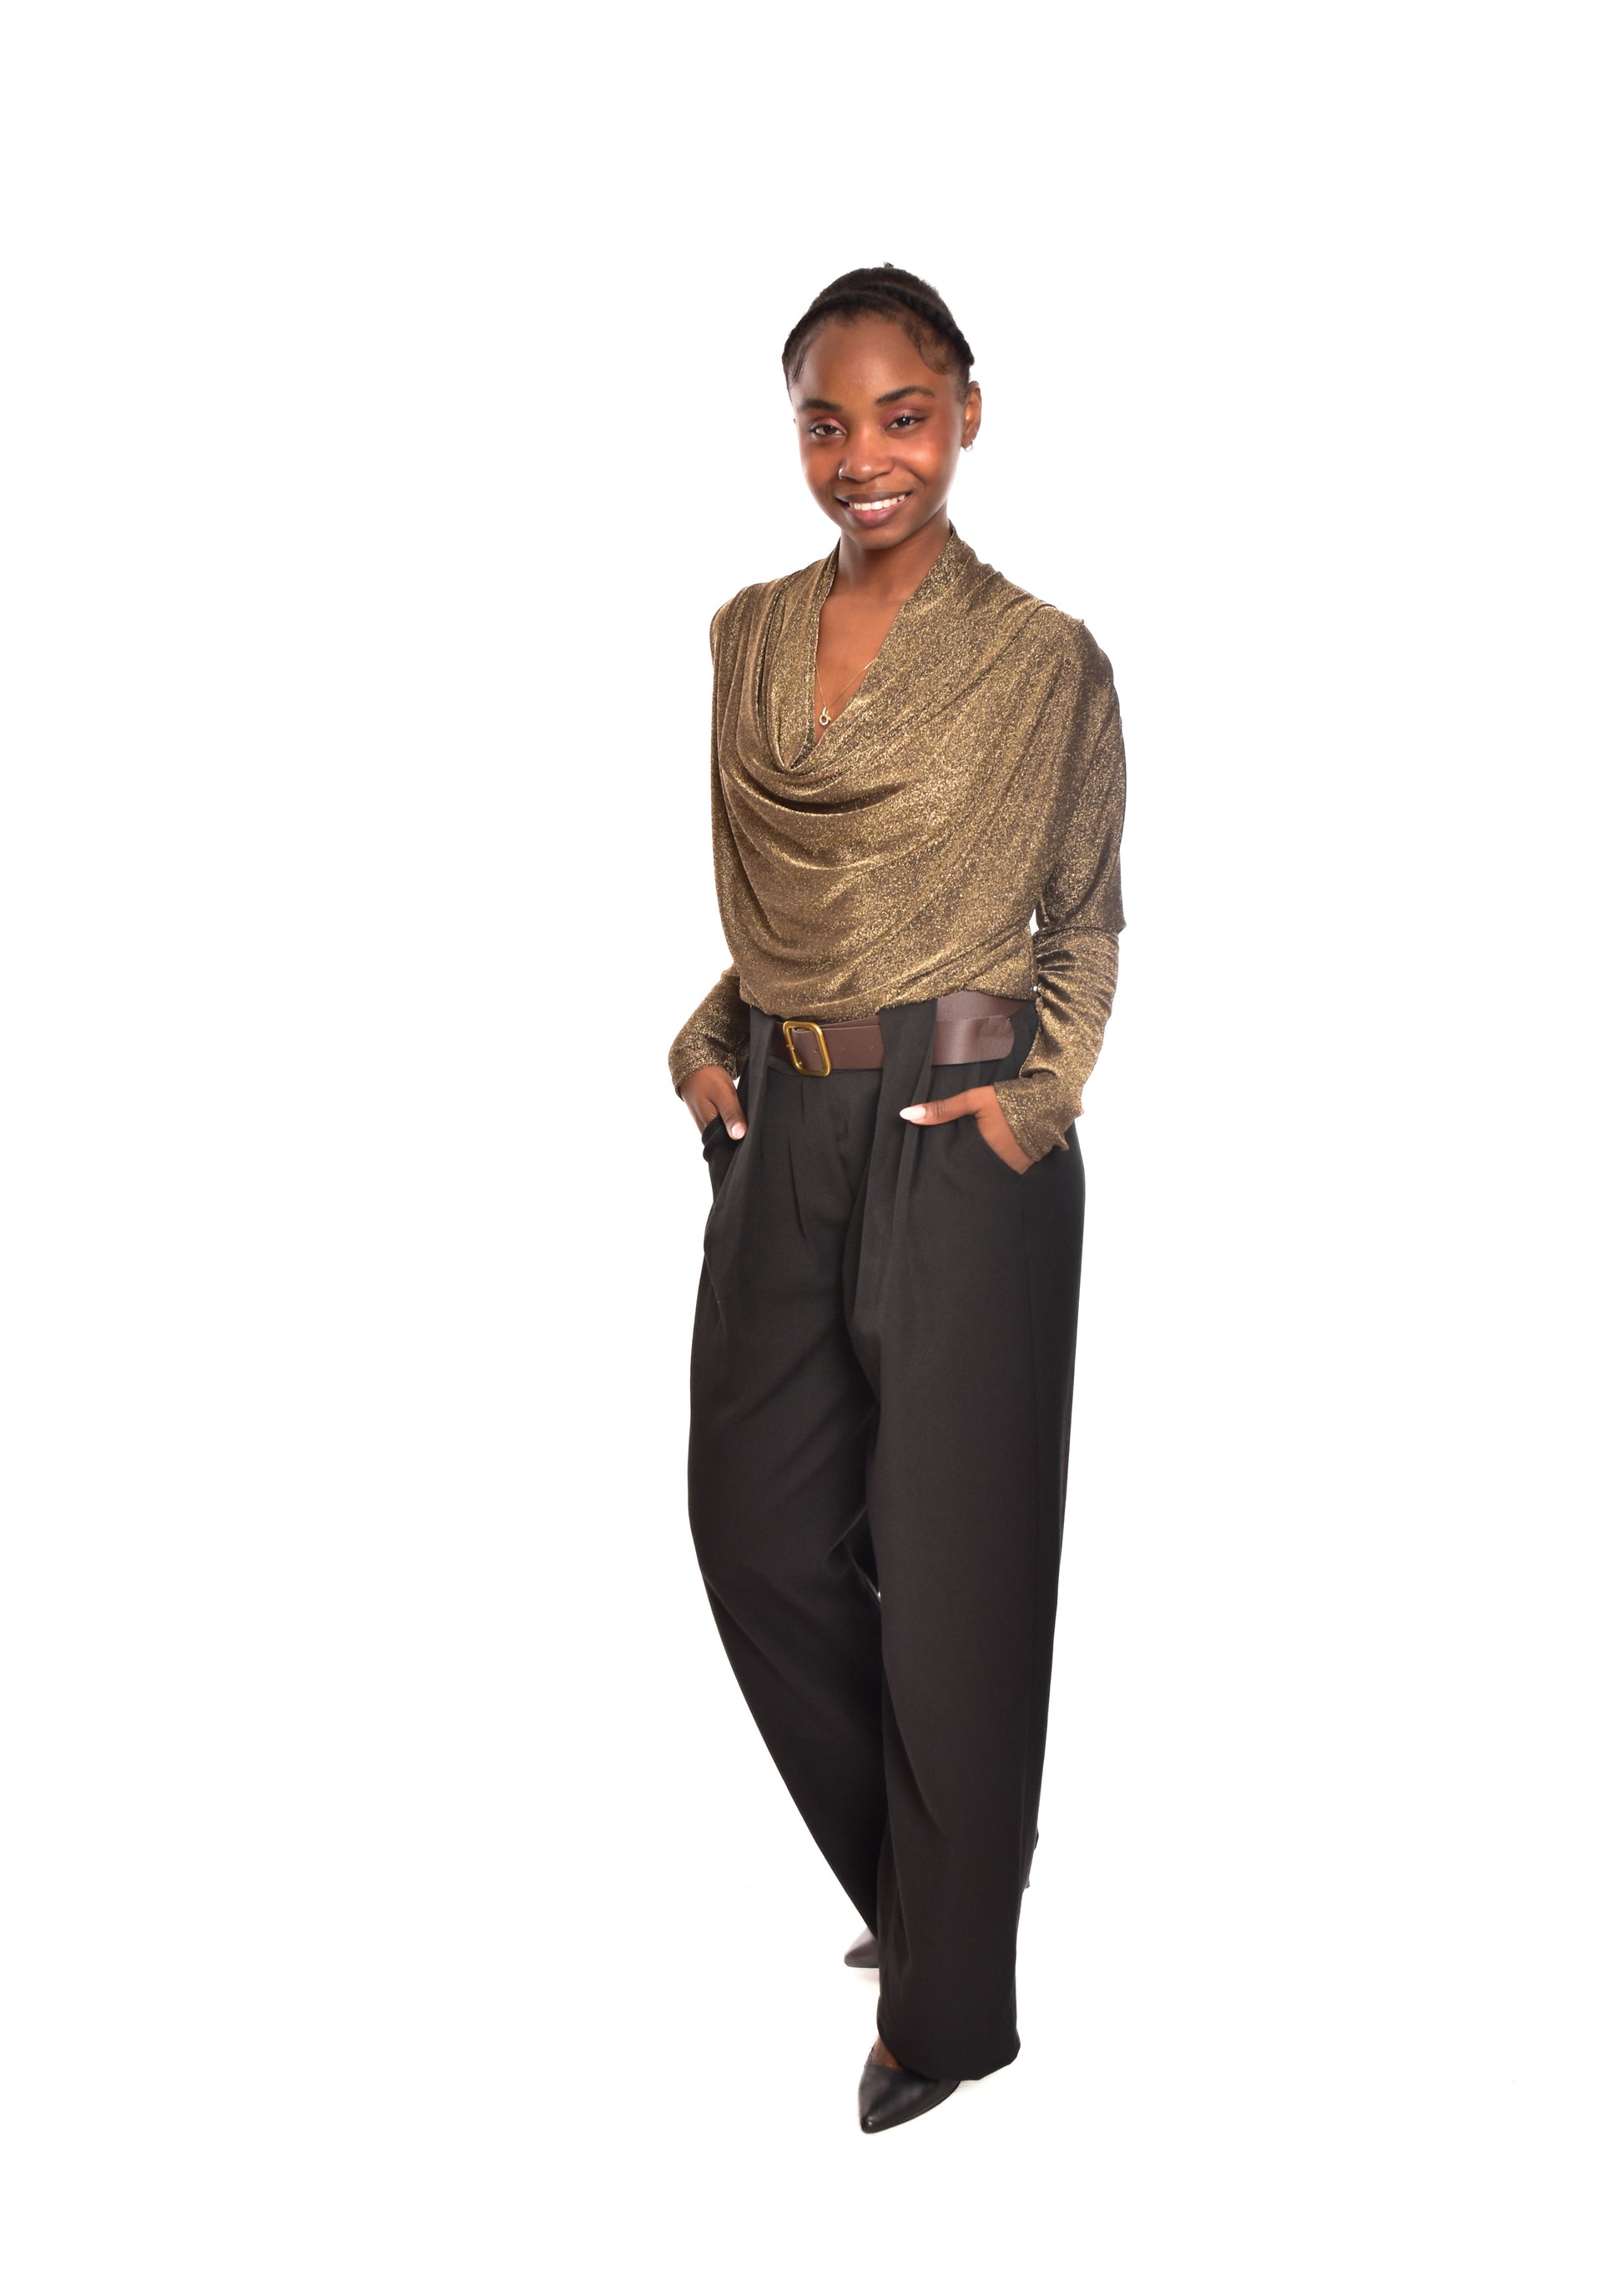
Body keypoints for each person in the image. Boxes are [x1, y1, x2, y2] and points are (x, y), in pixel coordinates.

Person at [668, 264, 1127, 2133]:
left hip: (960, 1123)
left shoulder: (1040, 658)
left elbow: (1078, 918)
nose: (865, 455)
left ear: (967, 414)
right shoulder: (744, 635)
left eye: (903, 414)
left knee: (955, 1575)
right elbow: (787, 914)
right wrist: (712, 1032)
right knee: (753, 1530)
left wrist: (1036, 1102)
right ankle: (945, 1882)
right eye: (826, 421)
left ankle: (947, 2009)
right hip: (785, 1117)